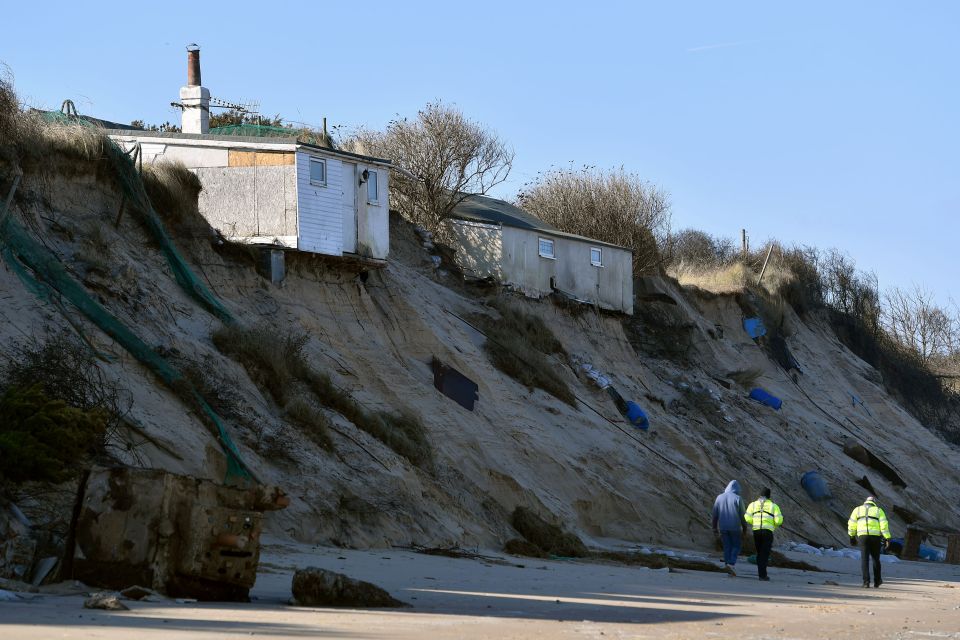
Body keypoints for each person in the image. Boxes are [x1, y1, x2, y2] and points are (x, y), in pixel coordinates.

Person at [847, 496, 891, 588]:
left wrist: (852, 536)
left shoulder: (857, 510)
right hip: (875, 537)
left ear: (865, 502)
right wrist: (887, 538)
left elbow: (852, 523)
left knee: (864, 559)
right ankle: (877, 581)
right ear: (874, 502)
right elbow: (884, 525)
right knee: (876, 559)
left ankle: (866, 582)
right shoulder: (879, 510)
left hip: (863, 537)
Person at [744, 488, 783, 581]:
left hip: (756, 531)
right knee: (764, 554)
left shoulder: (752, 505)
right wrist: (773, 524)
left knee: (759, 552)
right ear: (769, 496)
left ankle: (760, 573)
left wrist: (754, 522)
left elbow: (746, 517)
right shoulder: (774, 506)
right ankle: (762, 575)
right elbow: (779, 521)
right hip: (767, 532)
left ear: (759, 495)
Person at [712, 480, 747, 575]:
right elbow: (742, 515)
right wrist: (745, 528)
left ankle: (727, 564)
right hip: (735, 527)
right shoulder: (738, 498)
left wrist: (714, 528)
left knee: (727, 546)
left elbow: (715, 514)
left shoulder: (719, 497)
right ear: (737, 489)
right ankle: (731, 563)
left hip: (723, 527)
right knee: (736, 546)